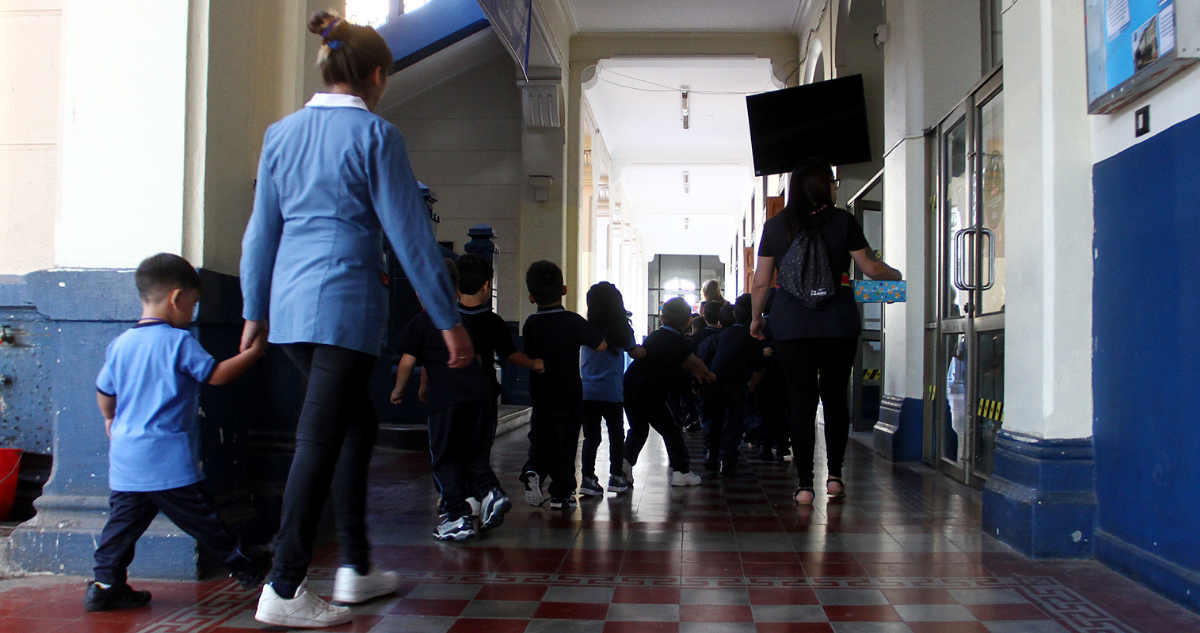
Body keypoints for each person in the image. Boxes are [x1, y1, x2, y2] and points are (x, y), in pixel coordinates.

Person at [239, 11, 472, 628]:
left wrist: (252, 309)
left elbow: (261, 230)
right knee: (320, 438)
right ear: (376, 74)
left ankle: (356, 566)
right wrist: (448, 320)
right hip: (341, 309)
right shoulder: (377, 136)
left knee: (353, 427)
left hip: (289, 311)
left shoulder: (280, 134)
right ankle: (284, 586)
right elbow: (411, 235)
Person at [87, 254, 271, 612]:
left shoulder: (120, 344)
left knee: (121, 525)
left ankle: (105, 583)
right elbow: (216, 375)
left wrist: (109, 420)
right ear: (176, 298)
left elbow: (104, 391)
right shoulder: (177, 342)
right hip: (165, 458)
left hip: (126, 454)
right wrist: (256, 353)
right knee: (203, 518)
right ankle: (245, 565)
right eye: (194, 303)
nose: (193, 311)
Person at [750, 158, 901, 505]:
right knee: (835, 398)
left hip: (791, 326)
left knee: (801, 402)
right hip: (838, 323)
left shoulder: (775, 226)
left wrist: (757, 318)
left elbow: (761, 281)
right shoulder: (843, 221)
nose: (835, 185)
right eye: (832, 180)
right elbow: (871, 268)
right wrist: (895, 278)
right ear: (821, 186)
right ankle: (834, 476)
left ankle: (804, 485)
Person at [392, 260, 511, 542]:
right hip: (479, 396)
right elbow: (479, 360)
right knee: (473, 455)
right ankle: (491, 493)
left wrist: (399, 390)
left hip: (445, 401)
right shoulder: (464, 324)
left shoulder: (419, 323)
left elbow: (409, 362)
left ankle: (457, 517)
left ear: (422, 294)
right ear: (457, 293)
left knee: (445, 458)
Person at [453, 254, 544, 508]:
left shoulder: (449, 319)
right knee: (480, 445)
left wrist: (425, 384)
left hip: (452, 395)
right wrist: (534, 363)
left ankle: (458, 495)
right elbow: (510, 354)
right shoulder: (492, 321)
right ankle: (479, 494)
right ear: (486, 286)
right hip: (483, 395)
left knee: (455, 445)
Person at [520, 261, 607, 509]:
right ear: (564, 290)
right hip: (568, 392)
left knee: (540, 435)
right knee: (566, 440)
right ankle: (561, 493)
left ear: (531, 296)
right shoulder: (572, 321)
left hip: (539, 390)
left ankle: (533, 468)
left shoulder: (530, 323)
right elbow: (600, 345)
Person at [623, 298, 716, 487]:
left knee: (639, 429)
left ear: (662, 318)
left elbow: (681, 361)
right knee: (671, 429)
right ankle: (681, 471)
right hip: (651, 391)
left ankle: (624, 465)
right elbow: (694, 362)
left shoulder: (656, 335)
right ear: (689, 322)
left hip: (630, 386)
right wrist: (709, 375)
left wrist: (697, 371)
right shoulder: (678, 341)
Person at [579, 282, 644, 497]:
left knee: (591, 437)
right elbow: (634, 352)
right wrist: (651, 350)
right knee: (616, 435)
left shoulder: (587, 329)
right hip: (613, 392)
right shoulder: (622, 330)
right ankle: (616, 476)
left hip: (587, 391)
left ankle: (587, 479)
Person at [703, 294, 765, 478]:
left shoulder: (724, 334)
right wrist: (750, 386)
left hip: (714, 382)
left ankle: (711, 456)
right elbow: (759, 368)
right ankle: (727, 461)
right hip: (736, 385)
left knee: (714, 420)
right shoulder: (753, 337)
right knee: (733, 424)